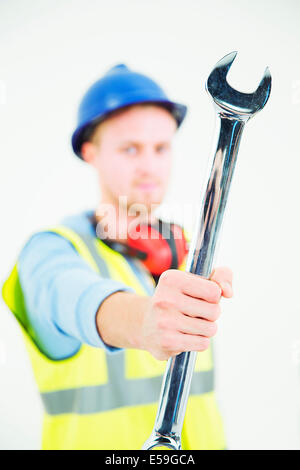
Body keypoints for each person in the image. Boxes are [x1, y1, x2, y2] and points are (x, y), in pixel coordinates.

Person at [2, 64, 233, 450]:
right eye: (130, 149)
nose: (149, 166)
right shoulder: (50, 251)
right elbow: (73, 297)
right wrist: (145, 321)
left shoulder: (190, 250)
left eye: (161, 148)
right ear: (91, 153)